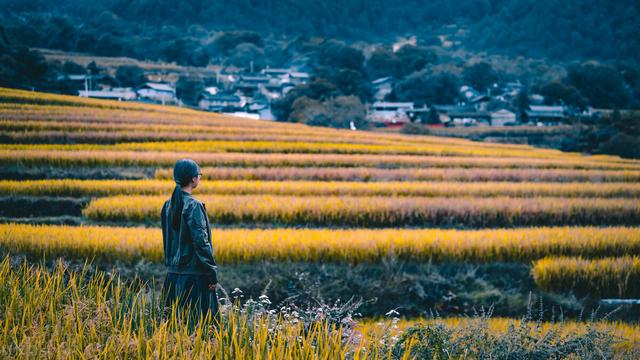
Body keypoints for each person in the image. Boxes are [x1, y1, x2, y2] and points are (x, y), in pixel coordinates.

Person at [161, 158, 218, 320]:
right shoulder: (194, 205)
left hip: (172, 278)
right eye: (199, 175)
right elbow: (201, 242)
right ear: (194, 179)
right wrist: (211, 272)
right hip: (194, 279)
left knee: (173, 330)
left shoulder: (167, 205)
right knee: (203, 330)